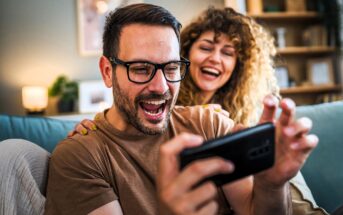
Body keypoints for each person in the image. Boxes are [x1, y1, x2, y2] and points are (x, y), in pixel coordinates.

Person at [43, 3, 319, 215]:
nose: (161, 86)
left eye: (172, 68)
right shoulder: (80, 156)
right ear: (107, 71)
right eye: (141, 69)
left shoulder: (212, 122)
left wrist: (271, 186)